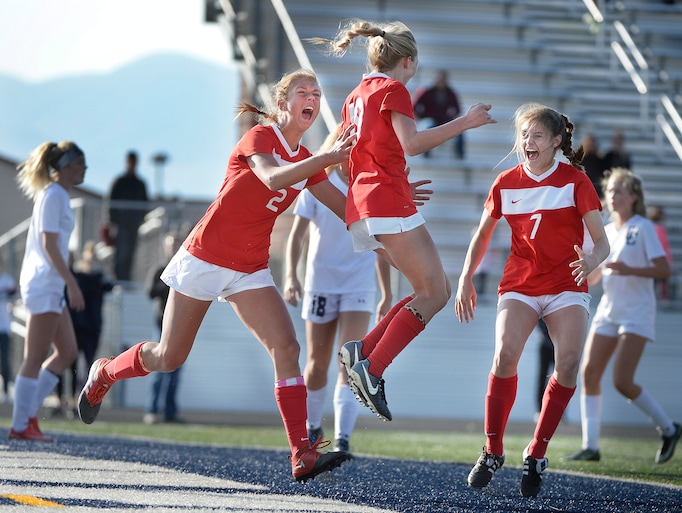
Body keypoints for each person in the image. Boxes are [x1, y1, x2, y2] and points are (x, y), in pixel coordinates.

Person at [77, 69, 356, 482]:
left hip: (250, 267)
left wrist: (392, 208)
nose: (311, 97)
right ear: (283, 104)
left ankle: (301, 453)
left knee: (286, 346)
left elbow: (344, 208)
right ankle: (104, 372)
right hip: (206, 257)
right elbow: (271, 177)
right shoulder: (261, 138)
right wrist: (329, 159)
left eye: (316, 91)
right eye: (303, 91)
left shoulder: (308, 159)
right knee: (168, 357)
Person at [312, 19, 496, 422]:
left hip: (364, 206)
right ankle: (372, 369)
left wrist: (387, 185)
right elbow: (411, 144)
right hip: (385, 202)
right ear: (408, 61)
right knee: (435, 294)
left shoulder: (355, 95)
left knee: (427, 290)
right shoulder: (394, 89)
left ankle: (363, 352)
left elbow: (345, 166)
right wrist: (465, 122)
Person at [455, 103, 610, 498]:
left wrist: (592, 258)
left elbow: (603, 242)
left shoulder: (576, 181)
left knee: (570, 363)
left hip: (566, 284)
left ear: (556, 141)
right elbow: (482, 235)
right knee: (505, 355)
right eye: (524, 135)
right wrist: (464, 280)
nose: (528, 142)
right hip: (522, 282)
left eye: (537, 135)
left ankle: (536, 451)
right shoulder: (506, 182)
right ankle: (492, 450)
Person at [284, 129, 393, 453]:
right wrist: (291, 275)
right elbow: (296, 236)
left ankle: (343, 440)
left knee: (349, 361)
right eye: (348, 148)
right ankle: (313, 427)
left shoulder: (371, 190)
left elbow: (379, 245)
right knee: (317, 365)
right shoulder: (316, 185)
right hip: (321, 284)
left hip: (357, 286)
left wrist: (386, 293)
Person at [566, 168, 682, 464]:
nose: (613, 195)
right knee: (589, 372)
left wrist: (629, 269)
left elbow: (664, 270)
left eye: (619, 190)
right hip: (609, 311)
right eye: (611, 190)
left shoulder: (643, 227)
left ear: (633, 197)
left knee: (621, 380)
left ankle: (669, 428)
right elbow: (593, 276)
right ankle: (590, 446)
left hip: (637, 312)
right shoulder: (606, 230)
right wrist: (585, 266)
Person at [10, 141, 86, 442]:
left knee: (67, 351)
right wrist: (71, 280)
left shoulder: (58, 195)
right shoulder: (54, 194)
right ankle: (20, 423)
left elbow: (55, 245)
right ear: (66, 165)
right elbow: (48, 243)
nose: (84, 169)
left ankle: (28, 416)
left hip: (50, 283)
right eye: (81, 163)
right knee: (35, 356)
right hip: (45, 282)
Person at [66, 240, 114, 409]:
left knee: (89, 364)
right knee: (72, 364)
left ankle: (84, 399)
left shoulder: (99, 278)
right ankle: (70, 399)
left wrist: (100, 272)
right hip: (78, 325)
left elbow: (110, 286)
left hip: (93, 326)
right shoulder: (78, 277)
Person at [143, 232, 184, 424]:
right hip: (161, 325)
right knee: (158, 371)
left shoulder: (185, 268)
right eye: (171, 244)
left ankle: (170, 412)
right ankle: (152, 410)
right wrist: (170, 282)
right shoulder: (160, 269)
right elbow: (150, 292)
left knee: (176, 372)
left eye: (177, 243)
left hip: (181, 326)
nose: (174, 247)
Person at [108, 150, 149, 281]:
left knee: (130, 254)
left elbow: (145, 203)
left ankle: (127, 281)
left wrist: (139, 219)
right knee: (120, 254)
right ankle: (119, 281)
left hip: (133, 225)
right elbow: (111, 202)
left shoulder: (140, 184)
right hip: (121, 225)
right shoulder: (119, 182)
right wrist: (112, 222)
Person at [413, 69, 465, 159]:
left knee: (460, 131)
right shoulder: (427, 92)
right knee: (427, 127)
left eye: (443, 80)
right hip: (430, 119)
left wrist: (452, 118)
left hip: (444, 120)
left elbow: (457, 109)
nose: (441, 82)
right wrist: (419, 117)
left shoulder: (451, 93)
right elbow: (414, 105)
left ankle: (460, 155)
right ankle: (426, 152)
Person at [0, 256, 18, 402]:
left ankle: (5, 391)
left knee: (5, 360)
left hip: (4, 327)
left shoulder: (7, 280)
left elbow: (14, 300)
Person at [648, 205, 673, 303]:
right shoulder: (657, 229)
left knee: (660, 281)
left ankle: (662, 297)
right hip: (658, 260)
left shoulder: (654, 228)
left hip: (656, 260)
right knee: (659, 280)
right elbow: (663, 246)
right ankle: (663, 298)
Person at [534, 319, 555, 422]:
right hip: (546, 344)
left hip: (559, 344)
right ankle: (539, 411)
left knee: (562, 378)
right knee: (542, 378)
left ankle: (559, 413)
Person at [581, 133, 605, 198]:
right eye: (590, 144)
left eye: (593, 144)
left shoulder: (599, 160)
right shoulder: (581, 160)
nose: (591, 146)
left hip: (596, 190)